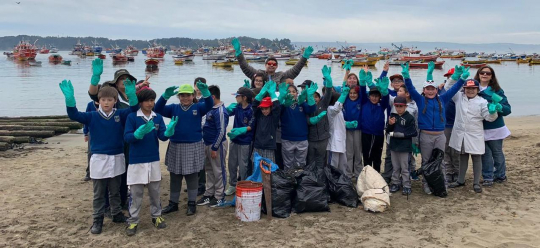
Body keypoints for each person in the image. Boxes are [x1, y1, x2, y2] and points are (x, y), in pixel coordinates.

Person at [60, 79, 139, 234]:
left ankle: (116, 213)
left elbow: (135, 110)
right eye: (103, 100)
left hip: (117, 157)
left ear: (115, 101)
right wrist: (70, 100)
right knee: (99, 193)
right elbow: (74, 115)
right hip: (99, 159)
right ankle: (98, 220)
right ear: (98, 101)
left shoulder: (121, 114)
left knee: (115, 190)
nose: (106, 103)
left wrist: (132, 95)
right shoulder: (91, 116)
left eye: (110, 100)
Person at [402, 62, 467, 195]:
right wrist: (406, 76)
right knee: (426, 161)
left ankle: (441, 183)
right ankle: (426, 184)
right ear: (424, 90)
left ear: (436, 90)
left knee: (440, 161)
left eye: (433, 89)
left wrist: (462, 78)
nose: (430, 91)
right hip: (425, 135)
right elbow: (410, 88)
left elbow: (454, 89)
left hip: (440, 135)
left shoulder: (443, 98)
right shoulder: (420, 100)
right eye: (428, 89)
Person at [123, 88, 177, 236]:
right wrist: (136, 134)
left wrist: (169, 132)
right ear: (140, 102)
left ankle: (156, 216)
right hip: (136, 161)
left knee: (155, 192)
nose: (150, 103)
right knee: (136, 193)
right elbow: (127, 137)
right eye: (147, 100)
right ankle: (133, 220)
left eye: (152, 100)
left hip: (153, 159)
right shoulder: (132, 117)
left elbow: (163, 137)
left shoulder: (157, 117)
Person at [155, 82, 213, 216]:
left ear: (193, 96)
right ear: (178, 96)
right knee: (175, 176)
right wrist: (164, 96)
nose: (185, 98)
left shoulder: (198, 107)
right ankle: (173, 203)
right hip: (176, 145)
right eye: (182, 96)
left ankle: (192, 203)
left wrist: (206, 93)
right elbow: (158, 109)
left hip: (193, 145)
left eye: (188, 95)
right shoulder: (174, 108)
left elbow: (209, 105)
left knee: (192, 176)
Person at [87, 58, 137, 209]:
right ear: (115, 82)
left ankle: (121, 202)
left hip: (131, 136)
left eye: (127, 78)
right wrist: (95, 79)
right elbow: (93, 94)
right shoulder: (111, 95)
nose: (124, 81)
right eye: (121, 79)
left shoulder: (134, 93)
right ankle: (107, 205)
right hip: (113, 136)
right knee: (108, 174)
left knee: (124, 170)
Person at [447, 79, 498, 193]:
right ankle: (460, 180)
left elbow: (489, 118)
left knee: (476, 158)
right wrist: (456, 77)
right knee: (462, 156)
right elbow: (448, 88)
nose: (470, 90)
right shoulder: (458, 97)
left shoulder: (482, 102)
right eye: (468, 88)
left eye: (473, 88)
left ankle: (476, 183)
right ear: (464, 89)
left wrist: (492, 111)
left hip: (475, 134)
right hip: (461, 133)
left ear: (477, 89)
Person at [475, 66, 512, 186]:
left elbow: (507, 109)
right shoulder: (473, 88)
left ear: (492, 76)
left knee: (497, 152)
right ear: (478, 74)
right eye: (482, 72)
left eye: (488, 73)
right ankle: (487, 177)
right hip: (479, 127)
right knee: (485, 154)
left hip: (495, 128)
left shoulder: (497, 91)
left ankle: (500, 175)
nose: (485, 75)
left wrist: (499, 107)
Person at [229, 81, 281, 162]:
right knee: (256, 169)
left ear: (271, 108)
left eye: (266, 108)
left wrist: (272, 94)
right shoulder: (259, 116)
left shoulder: (273, 118)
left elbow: (277, 108)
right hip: (257, 146)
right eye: (262, 109)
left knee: (268, 170)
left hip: (269, 147)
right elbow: (254, 106)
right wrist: (261, 93)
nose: (264, 111)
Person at [198, 85, 229, 207]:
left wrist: (215, 148)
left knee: (219, 170)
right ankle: (209, 193)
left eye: (207, 97)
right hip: (207, 142)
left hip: (217, 144)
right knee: (209, 170)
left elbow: (221, 131)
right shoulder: (210, 108)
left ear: (213, 97)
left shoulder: (220, 111)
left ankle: (219, 196)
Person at [231, 38, 313, 84]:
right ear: (265, 65)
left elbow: (296, 69)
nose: (271, 65)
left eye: (274, 64)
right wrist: (239, 53)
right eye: (269, 63)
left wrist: (304, 57)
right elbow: (245, 67)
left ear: (277, 66)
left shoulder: (282, 76)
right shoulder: (259, 74)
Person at [279, 82, 317, 169]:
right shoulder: (284, 105)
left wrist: (309, 97)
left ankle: (299, 181)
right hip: (287, 139)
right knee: (288, 164)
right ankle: (289, 181)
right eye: (289, 92)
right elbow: (277, 110)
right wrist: (282, 99)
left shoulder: (301, 104)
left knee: (300, 164)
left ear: (297, 93)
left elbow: (312, 109)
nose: (291, 93)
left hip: (302, 139)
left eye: (293, 91)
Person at [224, 87, 254, 196]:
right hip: (235, 139)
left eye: (238, 95)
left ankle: (243, 185)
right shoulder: (237, 107)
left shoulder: (251, 109)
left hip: (245, 141)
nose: (236, 97)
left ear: (244, 97)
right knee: (231, 164)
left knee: (243, 165)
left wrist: (244, 130)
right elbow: (226, 114)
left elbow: (252, 125)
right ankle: (232, 184)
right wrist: (226, 110)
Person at [359, 70, 390, 173]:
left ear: (379, 97)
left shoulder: (382, 105)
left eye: (377, 96)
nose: (374, 98)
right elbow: (362, 92)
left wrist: (385, 92)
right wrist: (363, 83)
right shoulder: (364, 102)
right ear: (369, 96)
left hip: (378, 135)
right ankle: (367, 175)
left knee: (377, 157)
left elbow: (386, 98)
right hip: (366, 134)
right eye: (372, 96)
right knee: (366, 156)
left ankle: (376, 175)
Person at [387, 96, 418, 195]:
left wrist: (403, 135)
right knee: (395, 167)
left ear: (405, 106)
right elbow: (388, 131)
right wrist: (390, 125)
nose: (399, 108)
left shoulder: (409, 117)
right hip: (393, 146)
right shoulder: (392, 116)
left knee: (404, 167)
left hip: (405, 147)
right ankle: (395, 183)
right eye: (397, 106)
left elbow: (414, 132)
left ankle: (406, 185)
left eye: (401, 106)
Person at [306, 65, 334, 167]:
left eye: (316, 97)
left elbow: (329, 93)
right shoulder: (307, 107)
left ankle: (321, 179)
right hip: (311, 139)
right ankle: (310, 179)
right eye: (312, 97)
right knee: (311, 161)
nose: (314, 99)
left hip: (323, 138)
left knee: (321, 161)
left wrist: (328, 80)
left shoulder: (323, 104)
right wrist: (313, 120)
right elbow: (306, 120)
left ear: (319, 97)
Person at [442, 67, 460, 183]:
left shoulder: (463, 91)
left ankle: (458, 172)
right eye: (449, 76)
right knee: (445, 149)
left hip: (458, 124)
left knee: (456, 150)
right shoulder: (441, 89)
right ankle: (448, 171)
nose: (451, 78)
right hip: (445, 124)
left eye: (454, 76)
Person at [326, 85, 350, 173]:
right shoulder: (330, 109)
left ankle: (342, 182)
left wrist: (348, 124)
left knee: (343, 164)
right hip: (333, 144)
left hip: (341, 142)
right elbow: (336, 108)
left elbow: (339, 122)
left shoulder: (340, 111)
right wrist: (343, 95)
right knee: (333, 165)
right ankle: (332, 182)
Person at [83, 98, 99, 181]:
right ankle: (89, 173)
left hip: (102, 131)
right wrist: (85, 132)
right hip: (91, 131)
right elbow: (86, 119)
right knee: (90, 153)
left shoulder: (106, 103)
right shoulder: (90, 105)